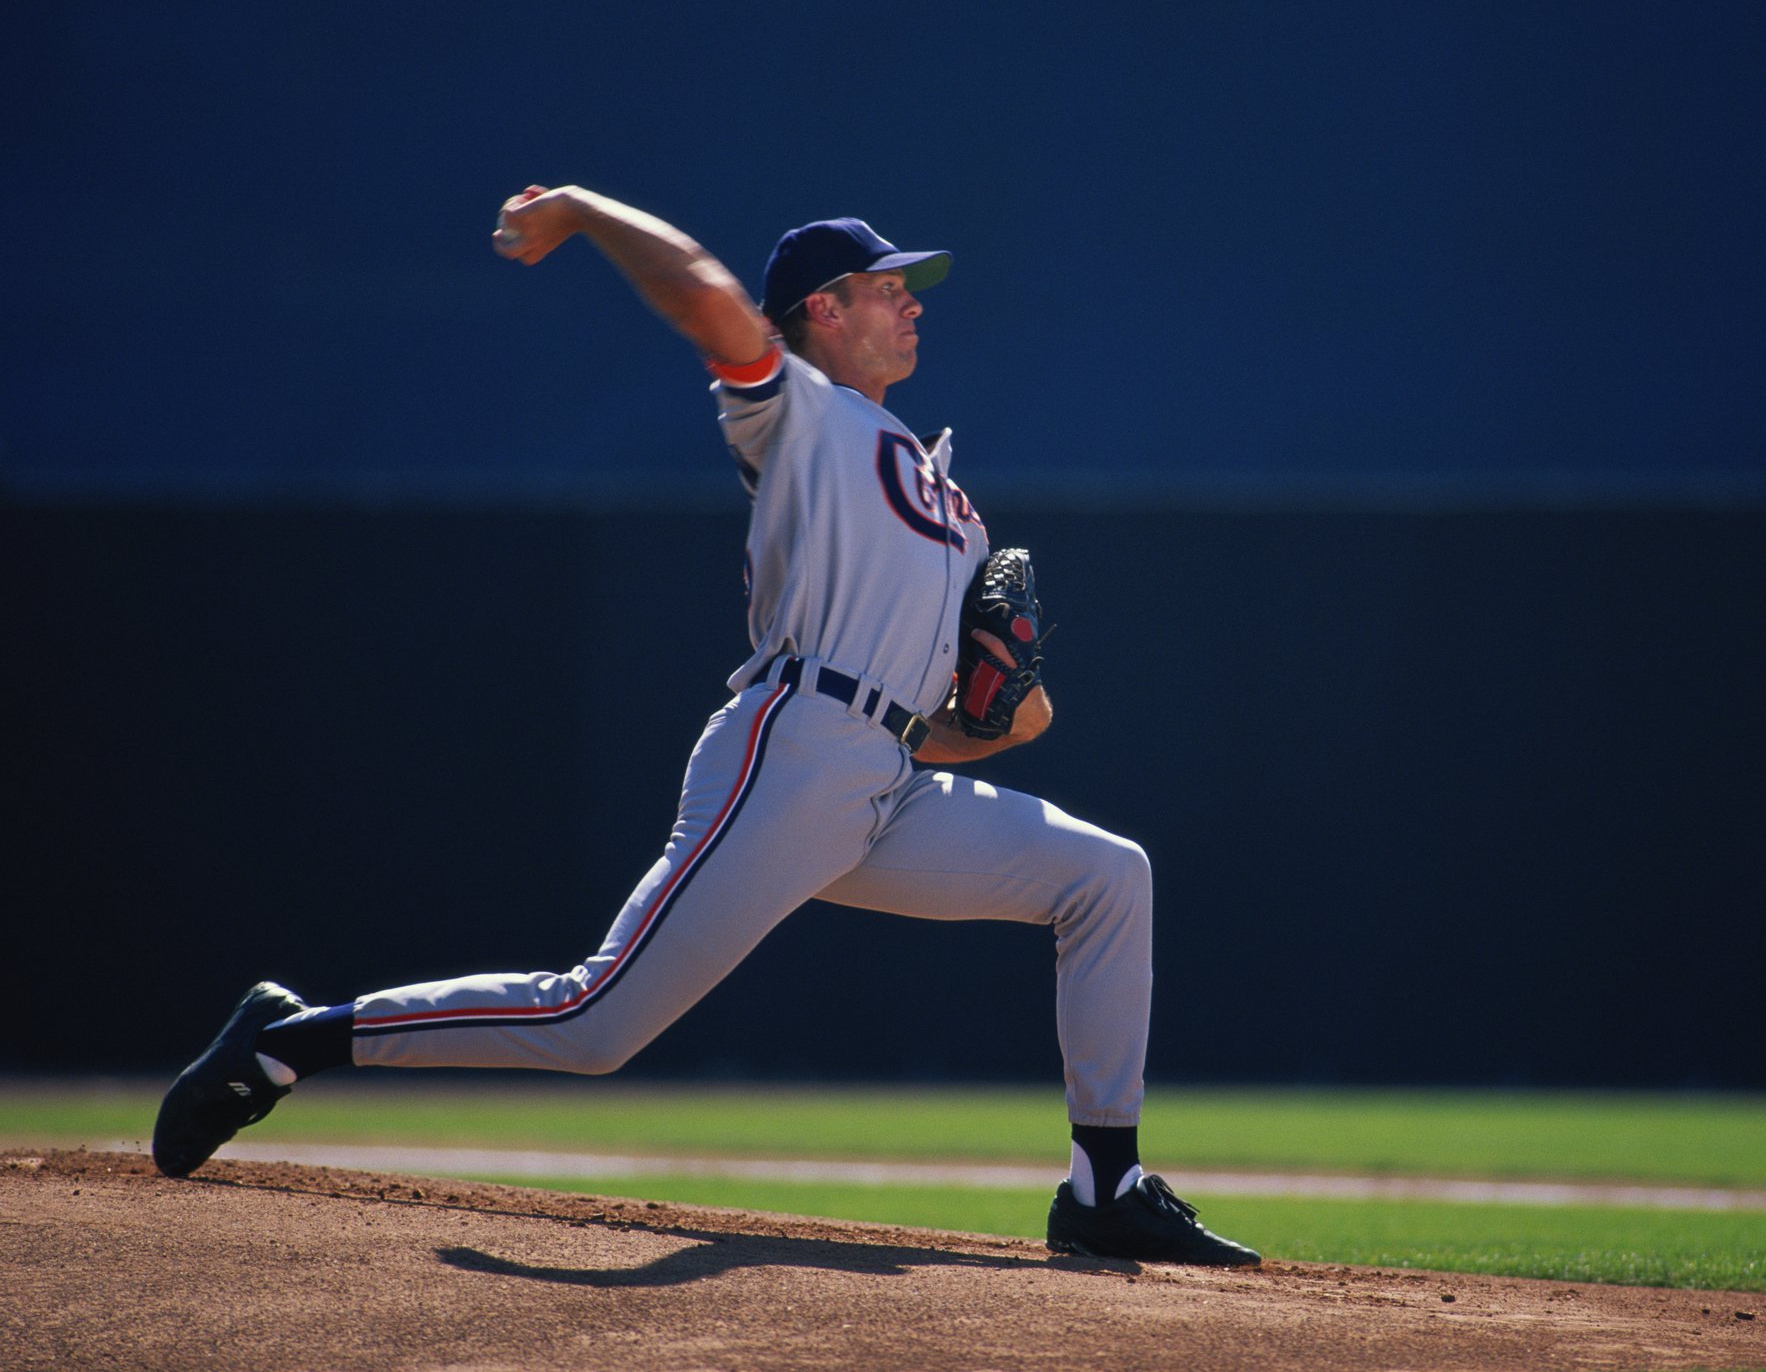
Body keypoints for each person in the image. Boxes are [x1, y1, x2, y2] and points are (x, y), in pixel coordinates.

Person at [150, 184, 1259, 1267]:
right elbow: (700, 290)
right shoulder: (801, 418)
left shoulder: (951, 504)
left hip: (885, 780)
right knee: (595, 1023)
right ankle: (291, 1040)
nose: (913, 301)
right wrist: (582, 209)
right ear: (823, 309)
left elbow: (993, 727)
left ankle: (1104, 1187)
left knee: (1109, 876)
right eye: (887, 286)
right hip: (791, 750)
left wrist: (1006, 703)